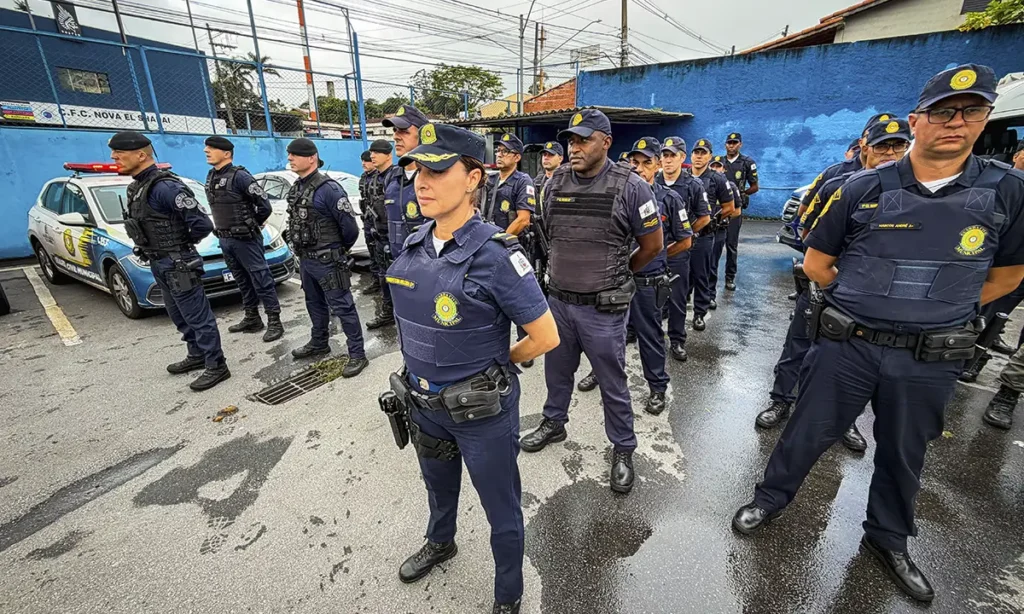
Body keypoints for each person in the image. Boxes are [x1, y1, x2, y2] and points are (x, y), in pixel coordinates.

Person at [733, 64, 1024, 603]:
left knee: (904, 450)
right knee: (807, 432)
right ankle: (770, 501)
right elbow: (819, 264)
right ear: (920, 119)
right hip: (850, 346)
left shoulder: (1006, 190)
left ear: (985, 119)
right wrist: (872, 298)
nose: (955, 122)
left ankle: (887, 539)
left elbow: (1007, 276)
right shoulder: (864, 187)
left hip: (929, 357)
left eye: (971, 111)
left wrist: (938, 306)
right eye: (942, 112)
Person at [385, 122, 559, 614]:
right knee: (438, 490)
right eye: (418, 169)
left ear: (472, 178)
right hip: (424, 405)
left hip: (480, 411)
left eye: (437, 170)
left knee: (501, 510)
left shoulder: (497, 255)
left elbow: (546, 336)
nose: (422, 180)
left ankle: (509, 594)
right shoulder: (415, 243)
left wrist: (498, 364)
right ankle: (442, 542)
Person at [519, 109, 664, 494]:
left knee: (612, 381)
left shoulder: (632, 186)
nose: (575, 147)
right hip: (560, 304)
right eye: (571, 140)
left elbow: (652, 246)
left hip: (603, 309)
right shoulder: (555, 182)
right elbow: (549, 233)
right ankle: (554, 422)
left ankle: (622, 448)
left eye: (584, 140)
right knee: (556, 372)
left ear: (606, 142)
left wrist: (618, 273)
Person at [755, 118, 913, 456]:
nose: (890, 153)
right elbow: (805, 226)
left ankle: (848, 419)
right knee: (799, 344)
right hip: (823, 282)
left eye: (898, 146)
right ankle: (782, 400)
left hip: (874, 297)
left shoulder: (912, 187)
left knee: (855, 361)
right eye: (882, 145)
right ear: (864, 144)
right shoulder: (834, 178)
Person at [109, 131, 229, 391]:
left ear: (141, 155)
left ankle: (216, 365)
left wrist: (178, 246)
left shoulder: (165, 187)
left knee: (198, 316)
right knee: (178, 314)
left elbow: (201, 224)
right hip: (159, 261)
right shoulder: (137, 187)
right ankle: (196, 354)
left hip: (178, 262)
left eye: (120, 153)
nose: (113, 157)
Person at [285, 138, 369, 377]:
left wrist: (336, 251)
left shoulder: (329, 189)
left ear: (311, 158)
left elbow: (350, 229)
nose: (290, 158)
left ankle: (357, 354)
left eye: (294, 154)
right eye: (289, 154)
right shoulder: (298, 187)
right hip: (307, 260)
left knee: (343, 307)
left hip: (328, 261)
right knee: (314, 303)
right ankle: (319, 342)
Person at [202, 136, 283, 343]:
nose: (206, 151)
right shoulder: (211, 176)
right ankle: (252, 317)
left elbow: (264, 205)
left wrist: (251, 224)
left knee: (261, 279)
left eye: (211, 148)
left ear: (227, 153)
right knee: (242, 280)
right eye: (206, 148)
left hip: (245, 239)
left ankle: (275, 321)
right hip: (225, 239)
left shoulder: (240, 177)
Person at [368, 105, 430, 330]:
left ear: (423, 133)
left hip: (427, 267)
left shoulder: (434, 175)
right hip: (396, 262)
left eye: (403, 131)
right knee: (403, 322)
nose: (396, 136)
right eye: (395, 131)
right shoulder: (392, 176)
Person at [483, 133, 538, 367]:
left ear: (516, 157)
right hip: (489, 247)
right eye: (498, 150)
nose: (499, 154)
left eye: (505, 151)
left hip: (512, 248)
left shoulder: (523, 181)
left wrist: (499, 240)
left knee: (517, 298)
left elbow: (523, 219)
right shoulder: (490, 180)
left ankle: (524, 344)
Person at [657, 136, 711, 361]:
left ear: (682, 157)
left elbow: (704, 217)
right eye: (664, 156)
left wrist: (686, 235)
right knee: (651, 296)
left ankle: (677, 340)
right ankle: (644, 332)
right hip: (654, 251)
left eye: (672, 156)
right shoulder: (654, 180)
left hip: (678, 251)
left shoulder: (693, 185)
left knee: (678, 298)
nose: (668, 161)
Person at [690, 139, 735, 318]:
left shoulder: (717, 178)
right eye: (696, 152)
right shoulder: (684, 175)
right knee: (682, 273)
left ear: (709, 156)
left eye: (703, 153)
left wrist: (713, 222)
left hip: (704, 235)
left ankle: (700, 312)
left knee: (703, 273)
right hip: (683, 234)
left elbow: (729, 207)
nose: (699, 156)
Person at [722, 133, 759, 291]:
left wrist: (740, 195)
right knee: (711, 246)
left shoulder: (747, 162)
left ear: (740, 145)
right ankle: (708, 280)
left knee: (731, 245)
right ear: (725, 145)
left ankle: (730, 277)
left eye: (734, 143)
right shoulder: (718, 162)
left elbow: (754, 186)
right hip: (718, 210)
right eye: (729, 143)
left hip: (735, 211)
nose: (731, 145)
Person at [358, 149, 381, 295]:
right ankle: (376, 280)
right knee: (371, 251)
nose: (363, 164)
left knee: (381, 252)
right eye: (362, 161)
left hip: (379, 221)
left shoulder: (380, 177)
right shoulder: (363, 178)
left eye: (366, 161)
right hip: (368, 219)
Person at [531, 140, 564, 209]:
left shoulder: (566, 181)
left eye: (551, 155)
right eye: (544, 155)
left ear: (560, 158)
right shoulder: (536, 182)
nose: (546, 158)